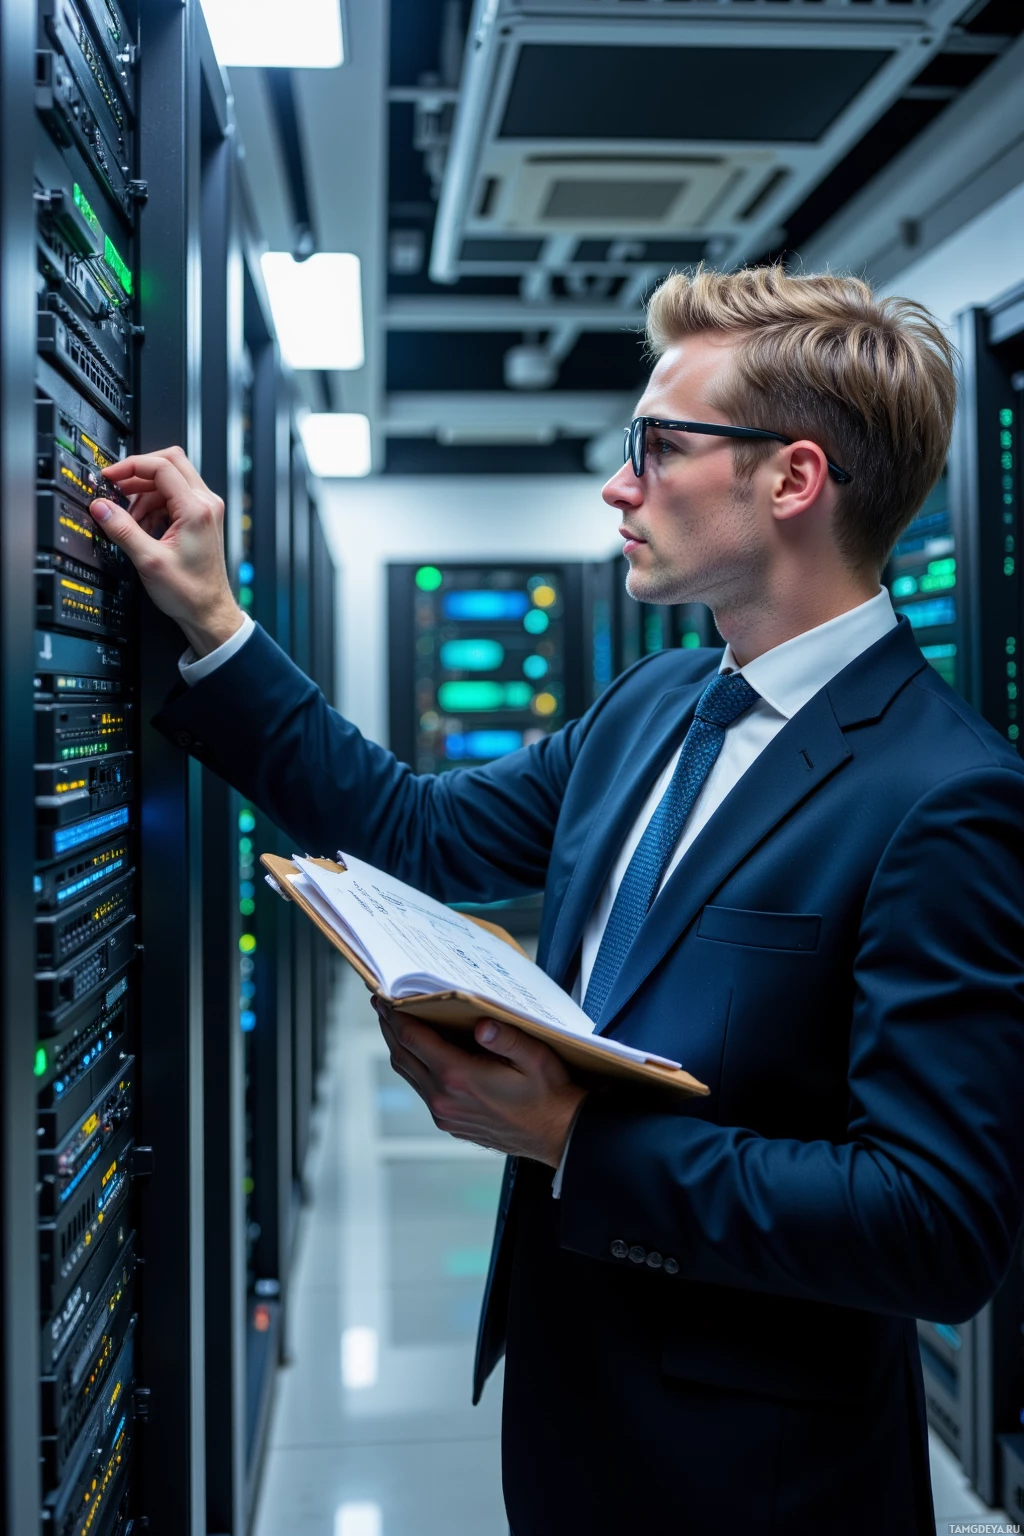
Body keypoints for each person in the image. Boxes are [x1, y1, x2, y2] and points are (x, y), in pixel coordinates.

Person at [90, 266, 1024, 1536]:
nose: (618, 484)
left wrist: (575, 1139)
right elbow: (419, 830)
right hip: (571, 1402)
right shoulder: (654, 708)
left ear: (792, 480)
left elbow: (935, 1227)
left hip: (758, 1476)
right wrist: (211, 620)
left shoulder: (946, 793)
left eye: (656, 445)